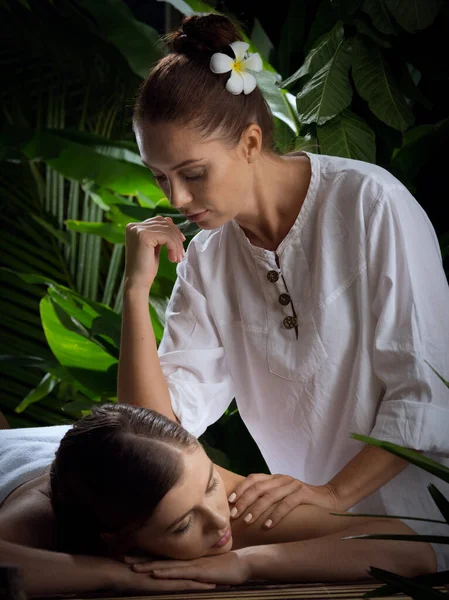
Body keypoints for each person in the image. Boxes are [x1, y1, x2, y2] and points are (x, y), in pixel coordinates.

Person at [118, 11, 449, 575]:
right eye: (159, 176)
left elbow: (427, 399)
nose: (175, 196)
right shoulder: (209, 258)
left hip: (423, 528)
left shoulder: (371, 205)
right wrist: (133, 293)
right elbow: (153, 438)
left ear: (250, 142)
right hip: (309, 537)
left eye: (192, 172)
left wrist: (334, 495)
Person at [0, 404, 436, 596]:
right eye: (182, 525)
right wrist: (118, 575)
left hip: (96, 446)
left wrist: (245, 562)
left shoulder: (211, 500)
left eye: (210, 482)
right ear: (115, 538)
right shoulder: (41, 519)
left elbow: (407, 548)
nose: (220, 520)